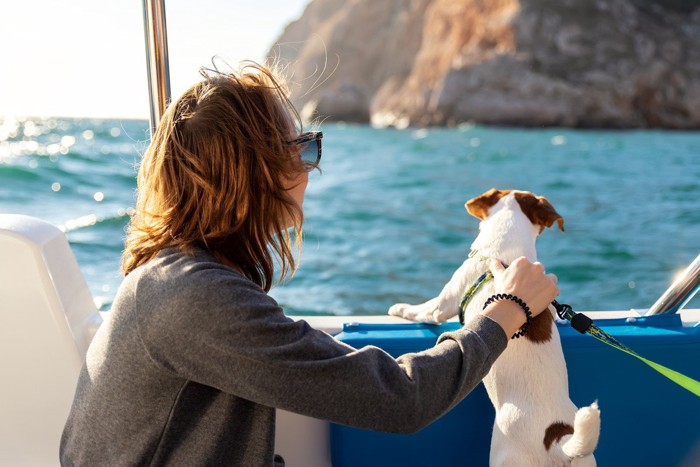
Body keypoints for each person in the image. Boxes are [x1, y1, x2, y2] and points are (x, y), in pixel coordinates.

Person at [60, 62, 559, 466]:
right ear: (250, 173)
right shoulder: (197, 299)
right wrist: (507, 309)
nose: (311, 167)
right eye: (300, 148)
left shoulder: (175, 278)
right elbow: (402, 400)